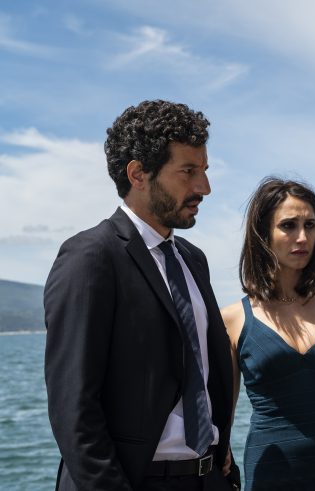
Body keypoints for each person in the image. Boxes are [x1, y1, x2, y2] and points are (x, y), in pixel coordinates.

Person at [44, 100, 238, 490]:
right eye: (188, 171)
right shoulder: (90, 258)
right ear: (138, 174)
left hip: (206, 477)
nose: (204, 188)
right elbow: (74, 410)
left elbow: (207, 376)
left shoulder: (193, 260)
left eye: (204, 171)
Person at [220, 178, 315, 490]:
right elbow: (222, 419)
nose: (303, 237)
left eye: (310, 225)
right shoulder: (232, 319)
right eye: (288, 225)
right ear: (263, 234)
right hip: (270, 473)